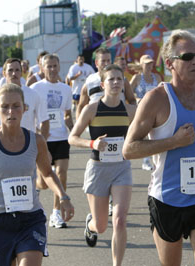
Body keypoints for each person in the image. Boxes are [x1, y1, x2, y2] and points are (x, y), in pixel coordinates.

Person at [122, 30, 195, 266]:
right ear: (170, 63)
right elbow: (129, 149)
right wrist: (173, 142)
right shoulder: (156, 99)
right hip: (168, 200)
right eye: (188, 56)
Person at [0, 83, 74, 266]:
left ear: (24, 109)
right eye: (4, 106)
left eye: (16, 106)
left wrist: (63, 196)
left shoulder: (36, 140)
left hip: (30, 218)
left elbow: (48, 173)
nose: (10, 111)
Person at [69, 64, 136, 265]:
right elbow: (72, 138)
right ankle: (90, 225)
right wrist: (93, 143)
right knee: (101, 226)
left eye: (119, 79)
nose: (116, 83)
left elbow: (149, 131)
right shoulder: (92, 109)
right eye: (111, 79)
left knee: (120, 220)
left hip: (121, 168)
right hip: (98, 169)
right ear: (102, 84)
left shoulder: (131, 110)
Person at [30, 54, 74, 229]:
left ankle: (56, 212)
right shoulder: (35, 88)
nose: (53, 69)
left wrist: (74, 131)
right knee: (43, 182)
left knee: (61, 173)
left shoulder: (66, 89)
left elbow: (67, 114)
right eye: (49, 66)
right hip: (42, 139)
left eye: (55, 66)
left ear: (59, 67)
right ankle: (36, 184)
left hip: (61, 137)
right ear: (42, 68)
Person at [0, 58, 49, 139]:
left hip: (28, 148)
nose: (14, 73)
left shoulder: (33, 95)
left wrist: (41, 145)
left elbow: (45, 121)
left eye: (17, 70)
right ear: (4, 73)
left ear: (21, 73)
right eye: (10, 70)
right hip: (3, 148)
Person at [77, 48, 136, 119]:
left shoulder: (121, 79)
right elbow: (81, 105)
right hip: (96, 124)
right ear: (96, 63)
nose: (106, 64)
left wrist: (132, 117)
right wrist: (79, 123)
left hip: (119, 121)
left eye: (108, 60)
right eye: (103, 61)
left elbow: (132, 100)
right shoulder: (90, 81)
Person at [130, 54, 162, 171]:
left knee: (155, 135)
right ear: (141, 65)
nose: (149, 66)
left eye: (151, 63)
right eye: (147, 64)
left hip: (156, 109)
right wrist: (137, 98)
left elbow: (161, 91)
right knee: (144, 135)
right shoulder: (137, 78)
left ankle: (155, 160)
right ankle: (146, 160)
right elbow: (128, 92)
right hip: (141, 110)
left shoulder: (157, 77)